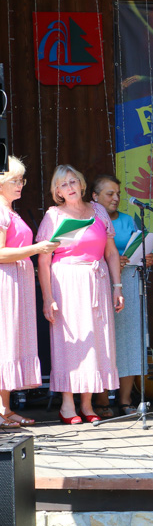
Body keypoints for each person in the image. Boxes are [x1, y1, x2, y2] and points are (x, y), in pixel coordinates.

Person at [36, 165, 124, 424]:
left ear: (82, 184)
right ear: (57, 191)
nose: (70, 187)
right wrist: (47, 297)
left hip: (97, 280)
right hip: (67, 283)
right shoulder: (54, 215)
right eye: (63, 184)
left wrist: (117, 287)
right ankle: (66, 405)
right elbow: (43, 260)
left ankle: (86, 404)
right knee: (70, 343)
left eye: (73, 181)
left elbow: (111, 252)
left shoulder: (98, 211)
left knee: (96, 341)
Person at [0, 157, 60, 428]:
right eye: (15, 180)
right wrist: (37, 249)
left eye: (21, 180)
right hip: (6, 282)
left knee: (12, 343)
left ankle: (5, 408)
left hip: (18, 282)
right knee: (5, 343)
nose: (20, 185)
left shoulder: (11, 211)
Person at [90, 174, 153, 416]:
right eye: (110, 194)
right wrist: (112, 261)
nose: (116, 198)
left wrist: (145, 258)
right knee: (103, 342)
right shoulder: (89, 220)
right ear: (95, 197)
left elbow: (137, 246)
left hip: (128, 282)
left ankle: (125, 401)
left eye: (118, 193)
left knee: (129, 340)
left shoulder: (128, 219)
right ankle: (101, 400)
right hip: (101, 282)